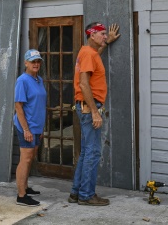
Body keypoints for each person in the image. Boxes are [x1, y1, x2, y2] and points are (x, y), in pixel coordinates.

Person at [68, 22, 120, 206]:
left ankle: (76, 192)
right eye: (103, 34)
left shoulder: (87, 52)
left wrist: (107, 43)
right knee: (93, 153)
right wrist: (96, 112)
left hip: (85, 107)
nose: (105, 36)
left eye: (106, 34)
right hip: (90, 107)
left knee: (86, 152)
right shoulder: (89, 54)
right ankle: (86, 195)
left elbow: (95, 58)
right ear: (92, 35)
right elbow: (83, 84)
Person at [14, 49, 47, 207]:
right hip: (26, 127)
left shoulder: (39, 80)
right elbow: (18, 106)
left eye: (38, 61)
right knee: (25, 159)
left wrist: (39, 129)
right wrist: (26, 130)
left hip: (36, 127)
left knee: (30, 158)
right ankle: (21, 196)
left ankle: (25, 188)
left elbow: (38, 105)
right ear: (26, 63)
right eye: (32, 61)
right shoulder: (23, 80)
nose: (36, 64)